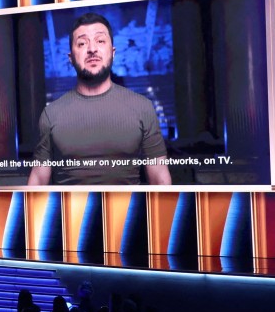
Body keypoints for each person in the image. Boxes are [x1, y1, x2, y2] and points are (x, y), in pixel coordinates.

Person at [27, 12, 171, 186]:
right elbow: (38, 178)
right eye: (82, 43)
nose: (92, 49)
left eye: (100, 41)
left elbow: (160, 177)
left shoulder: (143, 108)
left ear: (113, 52)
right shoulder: (51, 114)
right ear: (70, 58)